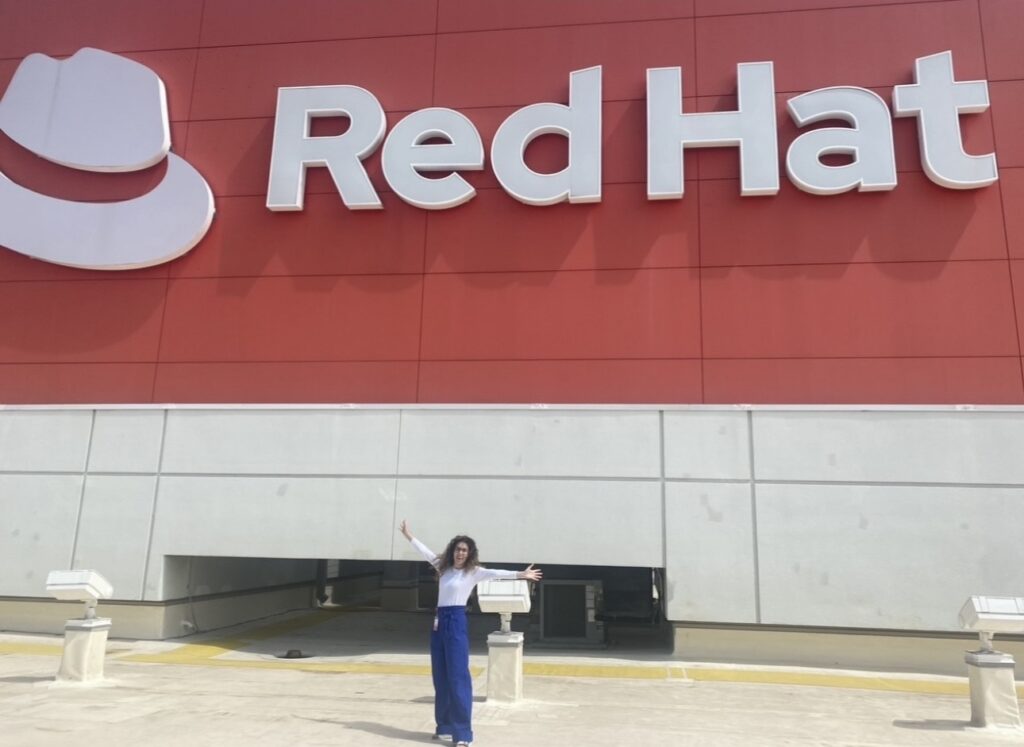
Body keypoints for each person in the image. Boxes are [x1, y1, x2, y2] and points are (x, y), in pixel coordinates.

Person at [400, 520, 542, 746]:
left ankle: (463, 734)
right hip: (439, 623)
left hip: (456, 621)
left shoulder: (474, 572)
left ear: (469, 554)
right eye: (457, 549)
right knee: (441, 676)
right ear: (452, 550)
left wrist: (520, 574)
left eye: (464, 550)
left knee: (458, 678)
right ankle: (444, 725)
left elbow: (497, 573)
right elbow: (424, 551)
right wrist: (409, 535)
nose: (460, 553)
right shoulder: (442, 567)